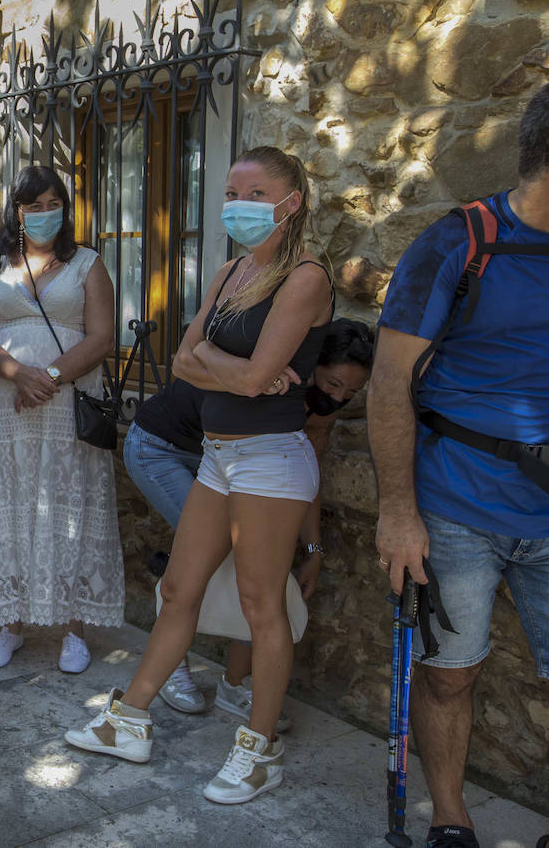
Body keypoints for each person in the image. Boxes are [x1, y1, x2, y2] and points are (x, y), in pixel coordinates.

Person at [65, 147, 333, 806]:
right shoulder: (230, 271)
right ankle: (129, 718)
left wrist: (224, 367)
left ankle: (258, 750)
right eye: (231, 187)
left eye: (255, 189)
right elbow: (184, 360)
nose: (237, 200)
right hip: (217, 454)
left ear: (290, 201)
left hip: (272, 459)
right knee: (180, 589)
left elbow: (233, 373)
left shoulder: (305, 278)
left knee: (260, 606)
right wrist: (229, 367)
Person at [369, 86, 549, 848]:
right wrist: (397, 512)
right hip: (455, 505)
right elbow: (387, 385)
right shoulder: (459, 241)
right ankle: (450, 821)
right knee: (451, 673)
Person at [126, 321, 374, 721]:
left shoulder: (320, 409)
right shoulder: (268, 379)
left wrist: (313, 548)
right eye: (333, 383)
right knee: (203, 561)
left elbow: (305, 471)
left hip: (227, 463)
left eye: (350, 393)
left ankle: (234, 685)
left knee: (258, 572)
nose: (337, 397)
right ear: (310, 364)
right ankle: (172, 669)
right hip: (161, 449)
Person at [0, 164, 122, 674]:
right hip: (4, 403)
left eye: (54, 203)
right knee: (11, 502)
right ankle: (11, 623)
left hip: (65, 400)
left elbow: (102, 337)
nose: (44, 213)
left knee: (67, 505)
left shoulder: (88, 264)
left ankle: (73, 628)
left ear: (65, 210)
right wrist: (17, 372)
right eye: (34, 205)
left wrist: (46, 376)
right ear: (17, 212)